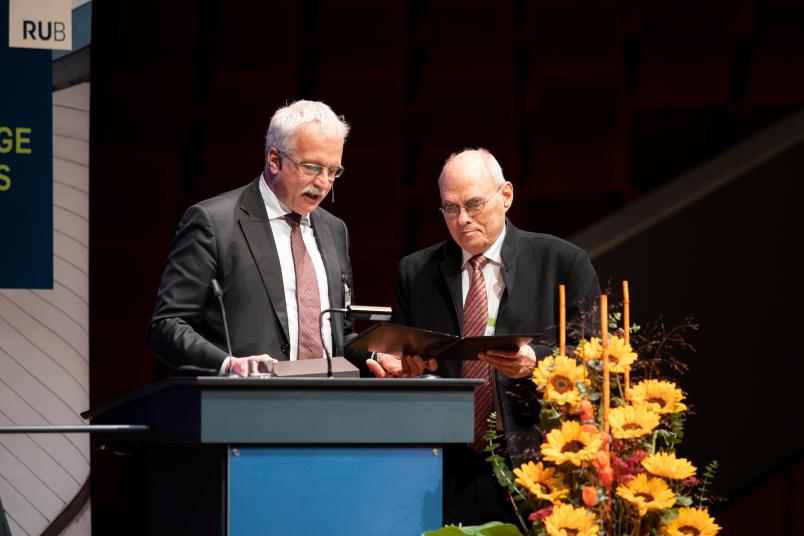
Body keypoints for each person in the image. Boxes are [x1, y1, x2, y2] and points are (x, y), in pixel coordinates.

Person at [367, 148, 600, 525]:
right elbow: (400, 354)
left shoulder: (562, 263)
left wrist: (537, 361)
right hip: (443, 468)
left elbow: (597, 358)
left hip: (536, 463)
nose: (462, 220)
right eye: (449, 208)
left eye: (474, 204)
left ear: (506, 195)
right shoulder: (415, 272)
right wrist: (398, 368)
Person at [148, 100, 363, 376]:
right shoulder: (214, 223)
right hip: (244, 405)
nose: (324, 183)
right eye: (312, 167)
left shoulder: (335, 230)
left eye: (333, 171)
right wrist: (228, 365)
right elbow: (166, 326)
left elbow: (339, 335)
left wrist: (376, 356)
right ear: (275, 160)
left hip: (327, 405)